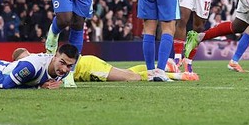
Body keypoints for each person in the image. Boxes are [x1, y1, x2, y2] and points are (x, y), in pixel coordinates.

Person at [11, 48, 198, 83]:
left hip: (86, 68)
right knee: (127, 72)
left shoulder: (34, 64)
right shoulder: (38, 60)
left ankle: (179, 76)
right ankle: (166, 66)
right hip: (87, 64)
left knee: (129, 78)